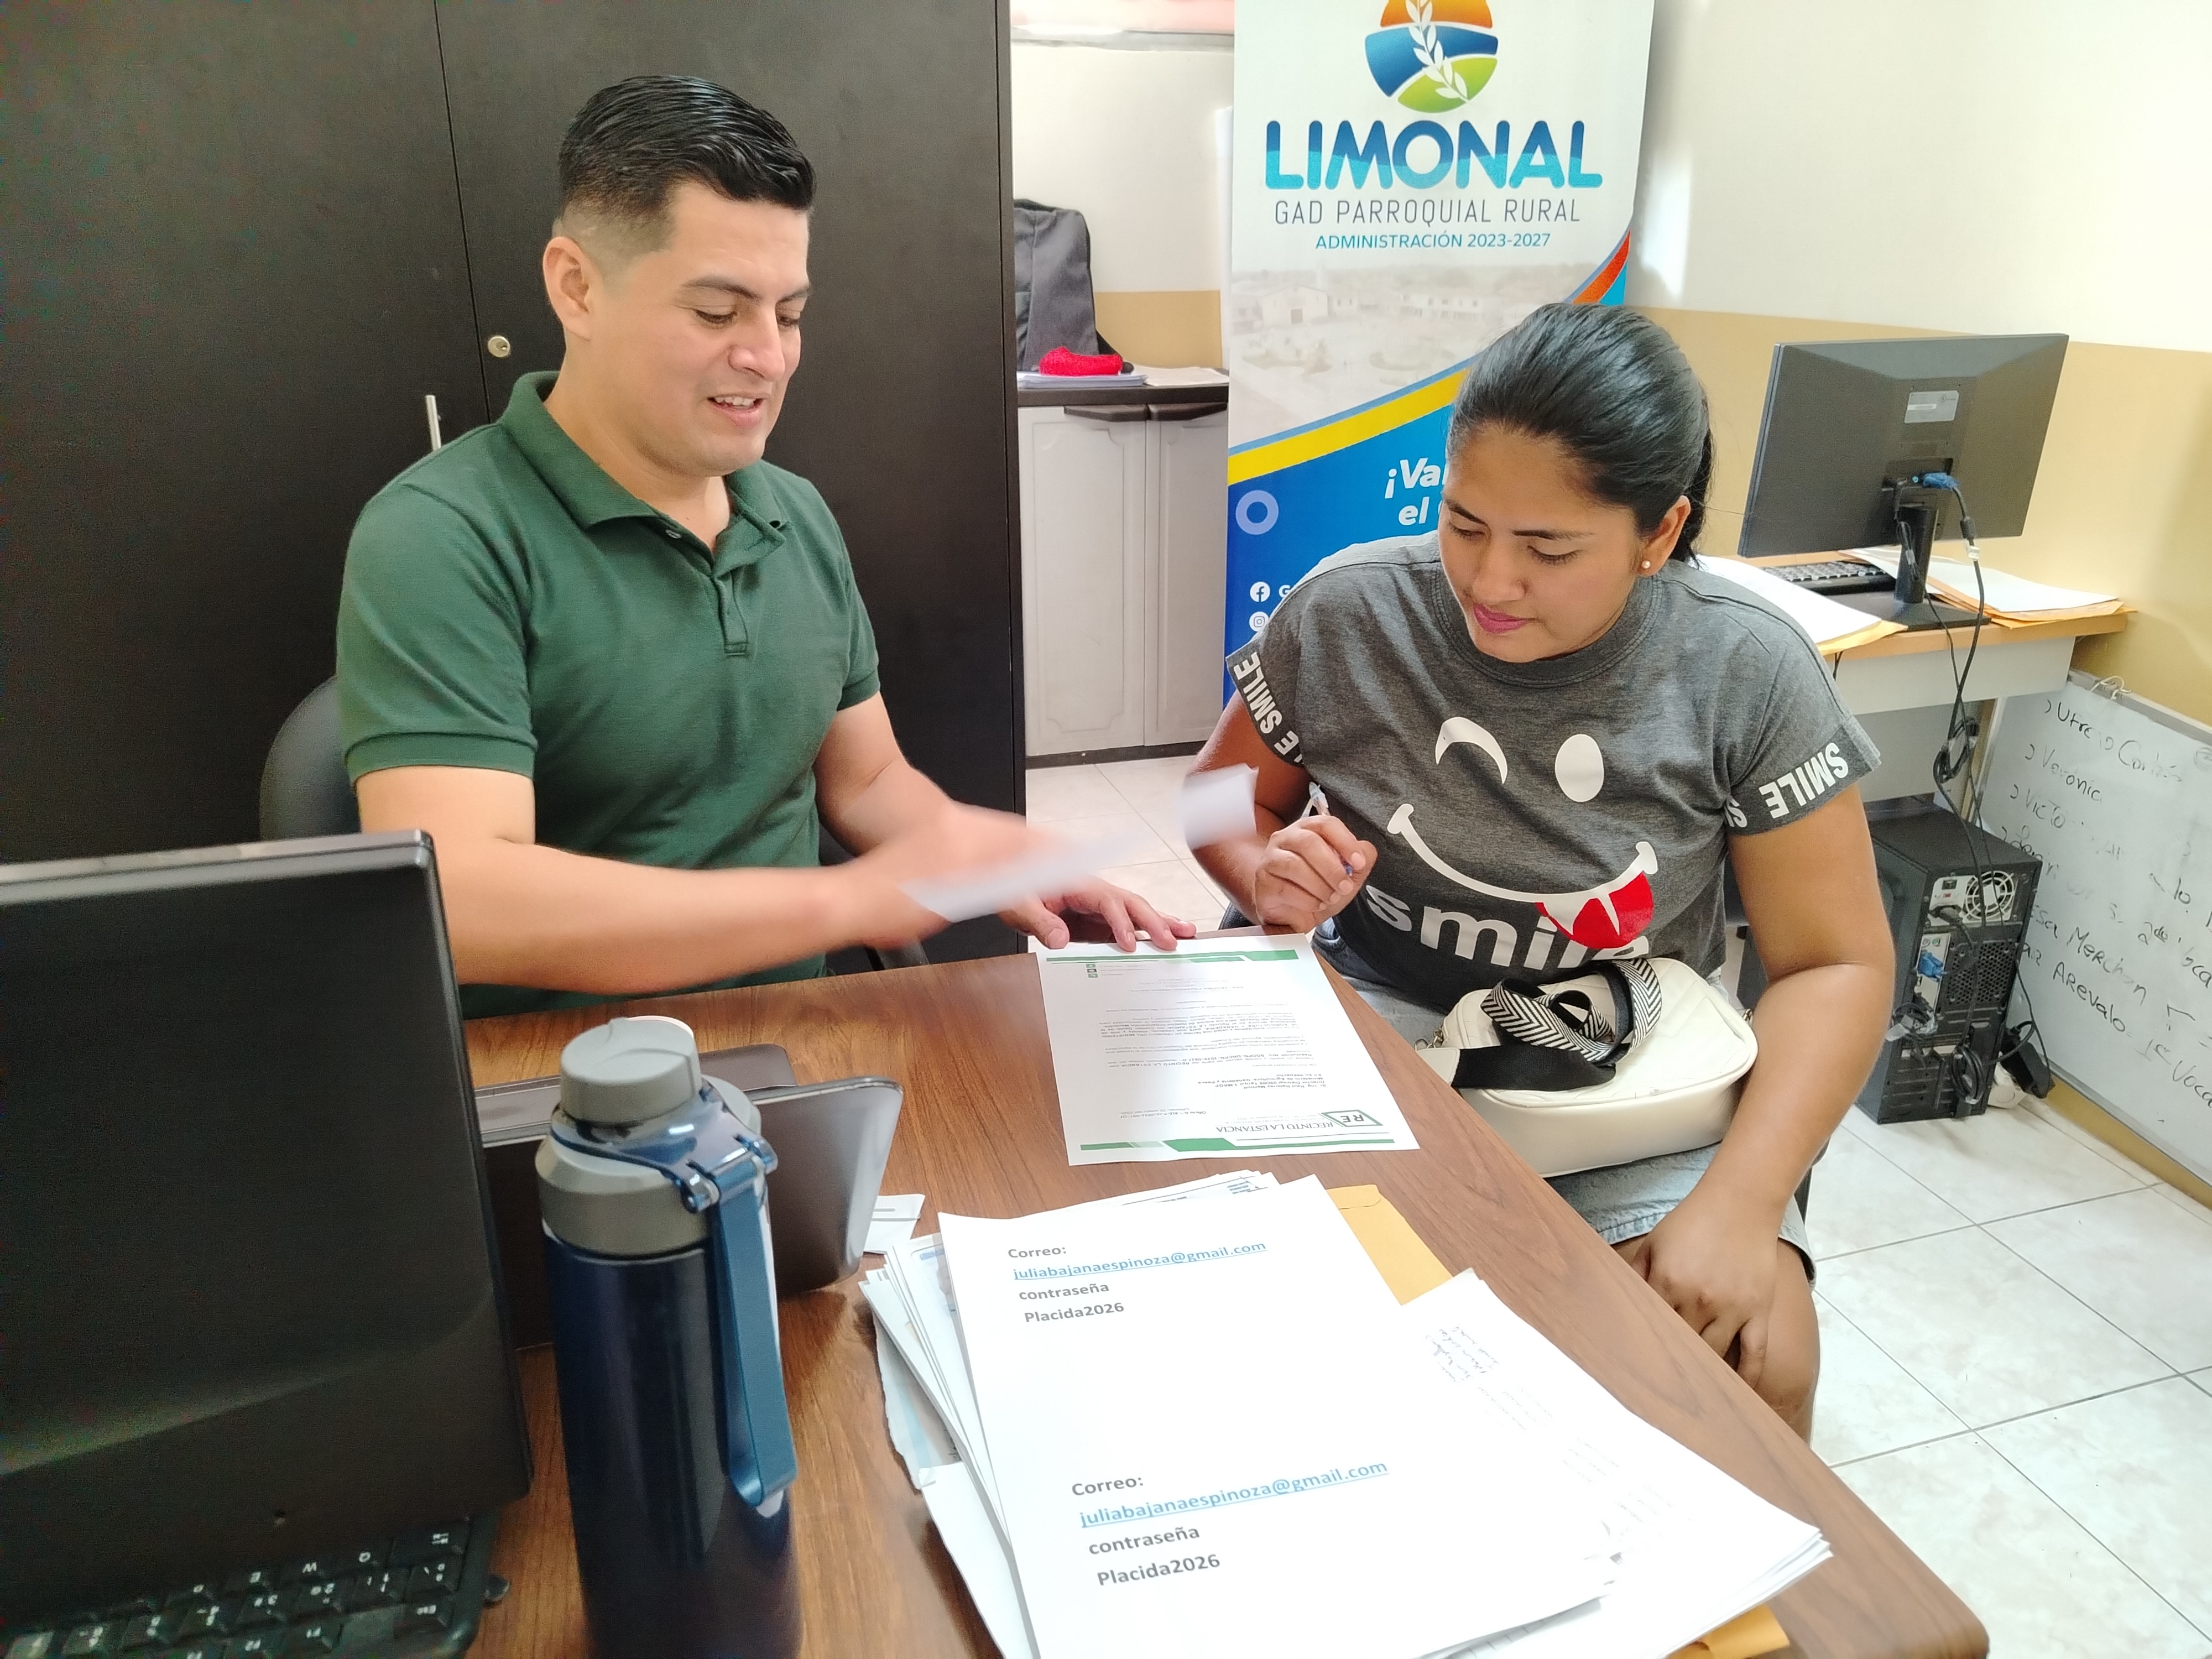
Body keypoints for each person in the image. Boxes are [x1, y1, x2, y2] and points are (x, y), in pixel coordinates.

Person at [338, 76, 1188, 1017]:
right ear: (577, 287)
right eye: (716, 312)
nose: (769, 357)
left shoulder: (793, 514)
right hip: (568, 1072)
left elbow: (867, 780)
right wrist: (845, 902)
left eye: (788, 315)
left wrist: (979, 854)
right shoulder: (442, 536)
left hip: (799, 1042)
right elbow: (463, 898)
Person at [1190, 304, 1893, 1438]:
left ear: (1660, 532)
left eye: (1548, 548)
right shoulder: (1353, 608)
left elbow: (1836, 964)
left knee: (1749, 1356)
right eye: (1461, 523)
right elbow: (1214, 799)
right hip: (1368, 1029)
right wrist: (1259, 867)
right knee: (1268, 1332)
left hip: (1610, 1074)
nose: (1491, 580)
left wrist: (1743, 1203)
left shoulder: (1743, 667)